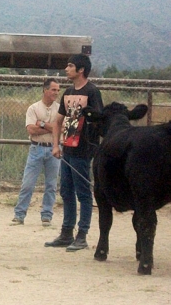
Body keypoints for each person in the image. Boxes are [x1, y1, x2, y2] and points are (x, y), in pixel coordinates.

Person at [45, 54, 103, 251]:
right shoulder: (68, 92)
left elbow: (98, 120)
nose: (66, 69)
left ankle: (82, 234)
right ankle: (67, 231)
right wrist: (56, 144)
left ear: (81, 70)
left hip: (84, 149)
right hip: (68, 148)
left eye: (70, 66)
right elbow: (58, 120)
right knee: (67, 191)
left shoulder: (92, 92)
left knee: (83, 193)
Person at [11, 78, 61, 227]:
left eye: (58, 90)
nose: (56, 93)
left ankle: (47, 215)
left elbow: (61, 129)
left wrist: (42, 124)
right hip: (36, 147)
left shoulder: (60, 109)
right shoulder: (33, 108)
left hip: (54, 147)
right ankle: (19, 214)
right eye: (53, 90)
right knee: (28, 183)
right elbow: (31, 129)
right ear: (45, 90)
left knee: (51, 185)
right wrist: (52, 127)